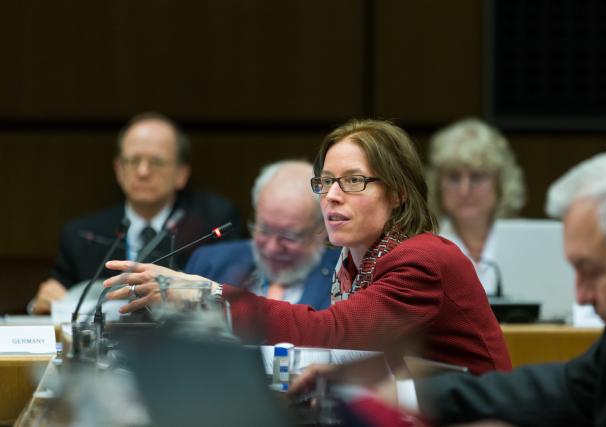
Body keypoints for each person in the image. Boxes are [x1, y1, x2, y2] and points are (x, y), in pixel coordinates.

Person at [105, 119, 511, 375]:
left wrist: (202, 293)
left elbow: (331, 333)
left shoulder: (422, 260)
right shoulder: (357, 259)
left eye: (353, 181)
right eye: (326, 182)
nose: (332, 196)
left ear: (399, 193)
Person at [292, 148, 606, 426]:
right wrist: (396, 397)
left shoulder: (422, 257)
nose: (580, 294)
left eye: (591, 270)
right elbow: (556, 390)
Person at [30, 112, 245, 314]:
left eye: (156, 162)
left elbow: (235, 301)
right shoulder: (81, 235)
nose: (142, 172)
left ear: (181, 173)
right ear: (118, 170)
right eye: (133, 161)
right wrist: (43, 303)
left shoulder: (212, 225)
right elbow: (53, 298)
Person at [185, 160, 339, 309]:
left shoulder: (347, 280)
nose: (272, 248)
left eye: (289, 236)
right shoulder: (210, 264)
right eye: (264, 230)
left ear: (322, 228)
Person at [426, 119, 526, 295]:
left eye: (477, 177)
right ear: (437, 185)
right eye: (454, 178)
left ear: (501, 183)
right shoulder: (421, 247)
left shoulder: (527, 242)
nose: (465, 191)